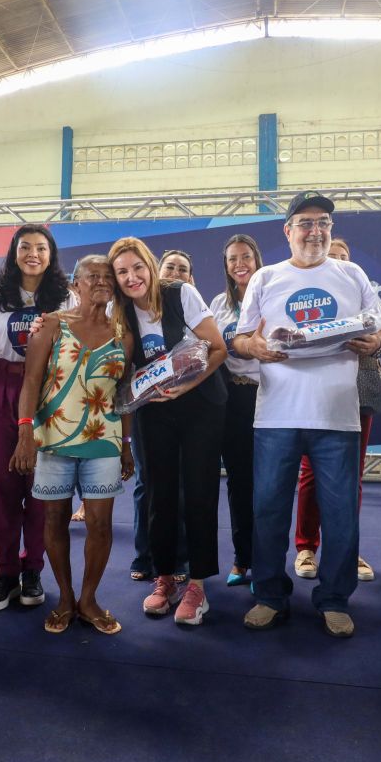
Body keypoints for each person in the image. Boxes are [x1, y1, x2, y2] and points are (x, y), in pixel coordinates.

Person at [233, 191, 381, 638]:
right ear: (288, 231)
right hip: (276, 415)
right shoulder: (266, 277)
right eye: (305, 223)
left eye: (323, 223)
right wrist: (253, 346)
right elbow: (240, 339)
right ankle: (269, 596)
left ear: (331, 230)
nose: (315, 231)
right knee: (268, 511)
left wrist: (375, 343)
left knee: (341, 516)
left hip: (337, 415)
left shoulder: (351, 274)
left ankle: (334, 599)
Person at [11, 255, 134, 635]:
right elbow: (31, 382)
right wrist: (25, 434)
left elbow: (125, 393)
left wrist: (126, 444)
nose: (101, 281)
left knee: (100, 524)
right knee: (54, 520)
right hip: (54, 440)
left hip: (104, 440)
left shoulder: (124, 334)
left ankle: (89, 600)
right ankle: (65, 598)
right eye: (92, 275)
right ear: (75, 285)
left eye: (107, 276)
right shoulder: (50, 324)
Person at [110, 237, 227, 625]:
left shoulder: (181, 294)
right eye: (122, 272)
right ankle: (164, 579)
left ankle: (197, 585)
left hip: (200, 405)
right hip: (153, 410)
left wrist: (186, 386)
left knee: (198, 491)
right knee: (158, 494)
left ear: (150, 266)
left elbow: (218, 348)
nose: (132, 277)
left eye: (137, 267)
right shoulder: (119, 310)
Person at [0, 225, 69, 612]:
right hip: (2, 390)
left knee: (41, 489)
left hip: (49, 395)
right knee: (1, 488)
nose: (33, 254)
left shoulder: (66, 297)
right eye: (25, 247)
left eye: (41, 248)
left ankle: (33, 569)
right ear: (14, 253)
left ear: (51, 255)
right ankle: (5, 572)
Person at [292, 237, 381, 584]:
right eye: (332, 257)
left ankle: (347, 548)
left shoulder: (362, 292)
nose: (337, 263)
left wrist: (375, 341)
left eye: (343, 257)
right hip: (310, 393)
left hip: (356, 392)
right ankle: (306, 546)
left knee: (352, 474)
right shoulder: (302, 295)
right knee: (310, 473)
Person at [120, 246, 193, 579]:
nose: (175, 274)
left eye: (182, 269)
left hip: (183, 407)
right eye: (170, 268)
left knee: (179, 485)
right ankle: (144, 555)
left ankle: (179, 559)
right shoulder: (126, 310)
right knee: (145, 482)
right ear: (156, 271)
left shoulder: (186, 307)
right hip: (144, 410)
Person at [210, 234, 263, 585]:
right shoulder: (218, 304)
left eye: (245, 256)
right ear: (226, 265)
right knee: (239, 483)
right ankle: (243, 560)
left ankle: (266, 564)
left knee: (268, 485)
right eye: (233, 258)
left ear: (256, 259)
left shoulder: (271, 297)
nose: (240, 264)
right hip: (231, 400)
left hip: (269, 398)